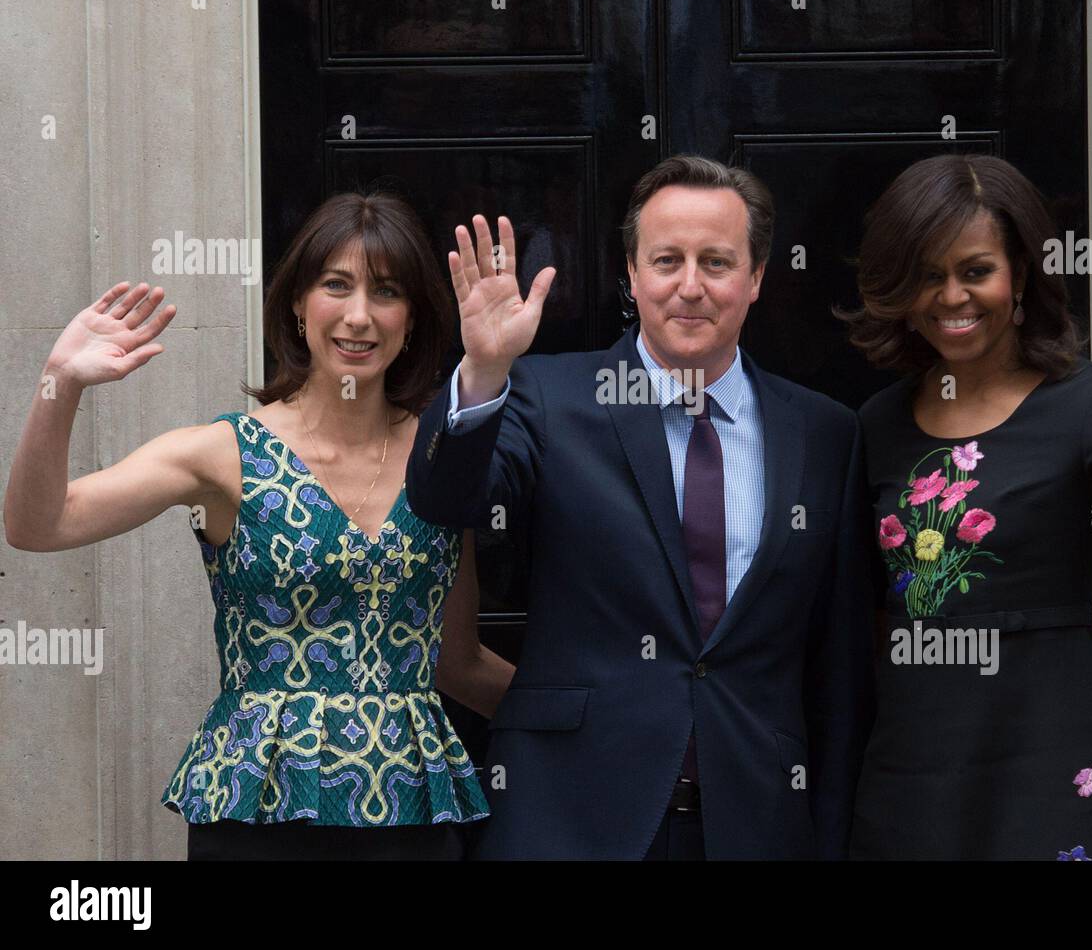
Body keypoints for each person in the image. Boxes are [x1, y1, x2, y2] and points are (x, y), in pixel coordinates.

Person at [4, 192, 514, 861]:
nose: (359, 315)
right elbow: (39, 525)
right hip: (257, 814)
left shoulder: (444, 457)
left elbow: (458, 660)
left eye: (385, 291)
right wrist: (59, 383)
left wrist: (613, 722)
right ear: (298, 304)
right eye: (337, 285)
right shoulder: (223, 454)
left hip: (411, 813)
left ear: (412, 319)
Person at [405, 155, 873, 860]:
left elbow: (839, 673)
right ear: (631, 274)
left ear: (756, 277)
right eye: (666, 260)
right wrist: (482, 372)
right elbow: (445, 499)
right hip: (571, 822)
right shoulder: (546, 398)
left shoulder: (826, 433)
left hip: (758, 825)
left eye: (716, 262)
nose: (690, 287)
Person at [843, 154, 1092, 860]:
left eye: (976, 270)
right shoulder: (875, 425)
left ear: (1019, 276)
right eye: (927, 275)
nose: (952, 296)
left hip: (1061, 761)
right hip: (916, 776)